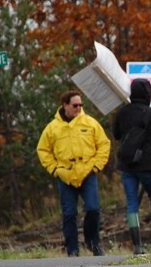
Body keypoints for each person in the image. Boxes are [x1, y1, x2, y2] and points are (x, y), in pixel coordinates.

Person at [36, 90, 110, 256]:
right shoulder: (52, 128)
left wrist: (97, 166)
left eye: (80, 105)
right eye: (75, 105)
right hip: (65, 176)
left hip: (87, 172)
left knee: (93, 209)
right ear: (65, 105)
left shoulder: (90, 123)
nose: (78, 108)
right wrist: (54, 168)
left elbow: (104, 144)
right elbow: (43, 150)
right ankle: (72, 250)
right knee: (69, 214)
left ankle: (93, 243)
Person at [113, 79, 151, 254]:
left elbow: (116, 134)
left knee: (132, 204)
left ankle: (137, 246)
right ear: (148, 93)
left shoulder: (122, 112)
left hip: (127, 166)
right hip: (147, 165)